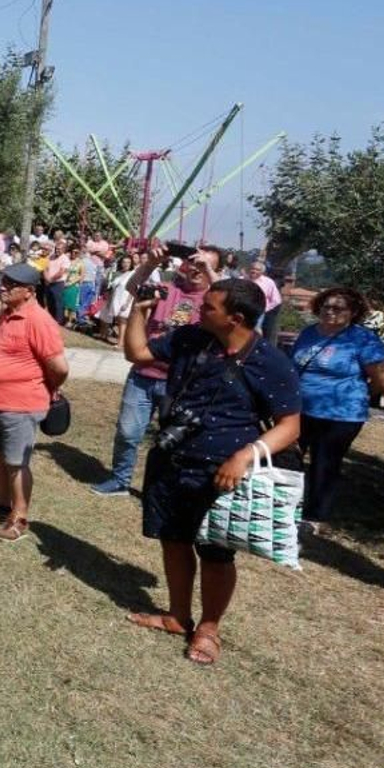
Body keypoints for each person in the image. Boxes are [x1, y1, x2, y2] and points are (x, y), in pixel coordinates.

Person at [123, 267, 301, 666]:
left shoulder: (271, 363)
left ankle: (209, 628)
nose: (198, 310)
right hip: (171, 460)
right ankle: (176, 614)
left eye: (208, 307)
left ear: (235, 318)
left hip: (222, 472)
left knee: (216, 554)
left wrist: (244, 455)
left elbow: (290, 426)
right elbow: (137, 354)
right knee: (173, 538)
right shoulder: (190, 338)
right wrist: (139, 311)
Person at [91, 246, 219, 496]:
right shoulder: (168, 290)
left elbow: (236, 298)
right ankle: (120, 479)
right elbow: (132, 288)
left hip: (182, 382)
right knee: (128, 432)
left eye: (203, 264)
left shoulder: (215, 301)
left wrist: (209, 271)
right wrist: (150, 263)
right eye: (193, 262)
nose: (196, 267)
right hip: (144, 374)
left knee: (175, 440)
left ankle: (165, 487)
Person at [0, 263, 68, 541]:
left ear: (29, 291)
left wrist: (49, 387)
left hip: (21, 404)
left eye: (11, 284)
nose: (3, 287)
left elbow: (59, 367)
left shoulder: (38, 320)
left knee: (16, 462)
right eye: (3, 281)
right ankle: (2, 504)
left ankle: (20, 517)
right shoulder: (8, 313)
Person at [291, 287, 384, 530]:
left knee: (324, 463)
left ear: (353, 312)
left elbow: (383, 379)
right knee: (289, 457)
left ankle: (314, 516)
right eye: (326, 306)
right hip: (301, 409)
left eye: (338, 308)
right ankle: (285, 504)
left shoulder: (363, 339)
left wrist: (362, 397)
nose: (330, 312)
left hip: (341, 415)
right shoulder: (308, 333)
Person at [247, 261, 284, 338]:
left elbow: (277, 300)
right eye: (252, 268)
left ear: (262, 272)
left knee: (255, 332)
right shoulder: (242, 279)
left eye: (257, 270)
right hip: (243, 310)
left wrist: (265, 308)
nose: (254, 271)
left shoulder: (268, 282)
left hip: (258, 311)